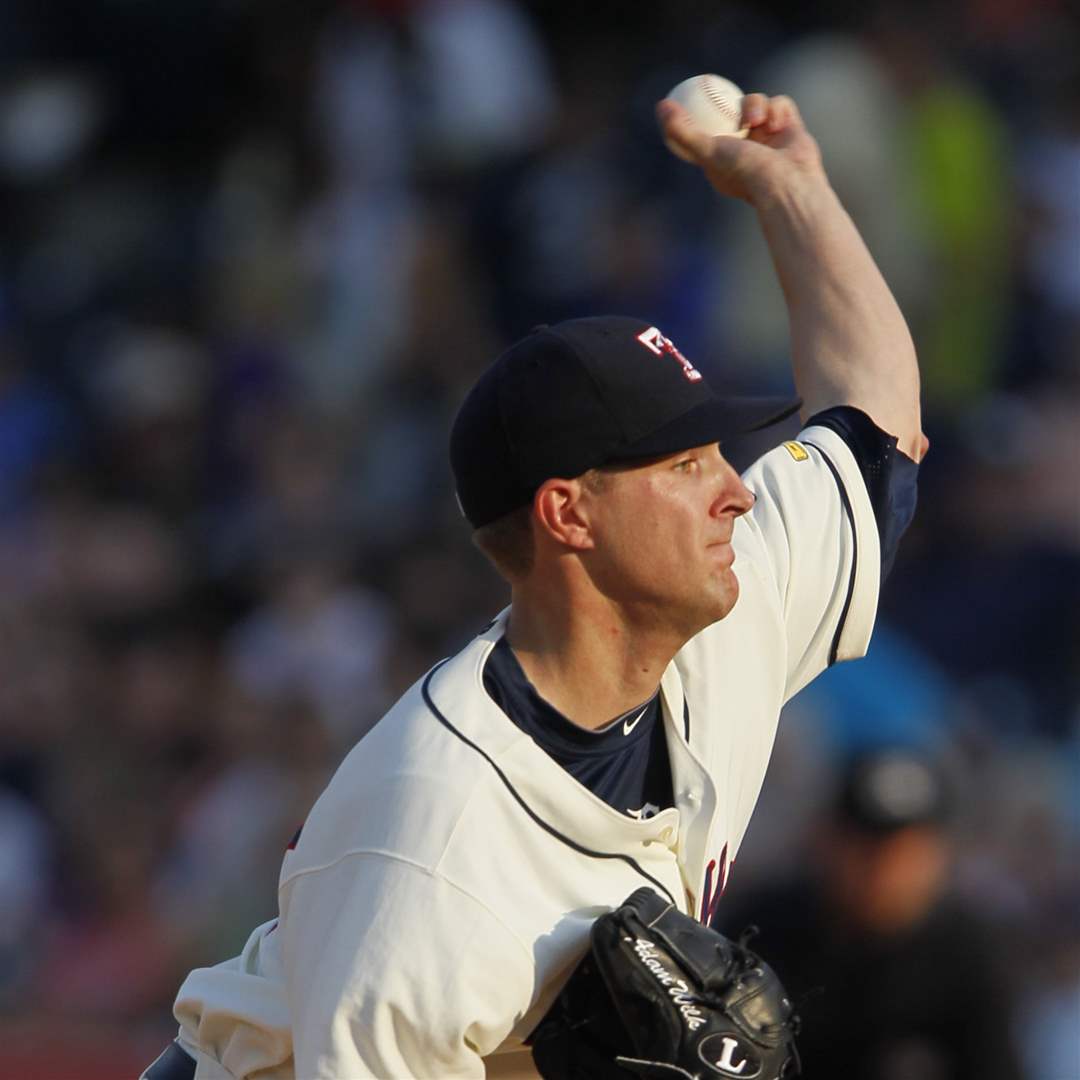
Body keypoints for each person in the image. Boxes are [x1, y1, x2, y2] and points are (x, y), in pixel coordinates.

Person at [140, 90, 925, 1078]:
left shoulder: (721, 613)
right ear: (569, 514)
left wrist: (788, 188)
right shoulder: (431, 840)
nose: (735, 491)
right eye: (685, 466)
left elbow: (877, 421)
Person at [713, 748, 1025, 1079]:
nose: (885, 871)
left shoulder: (968, 956)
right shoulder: (761, 931)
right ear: (828, 841)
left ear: (939, 856)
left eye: (906, 853)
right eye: (868, 849)